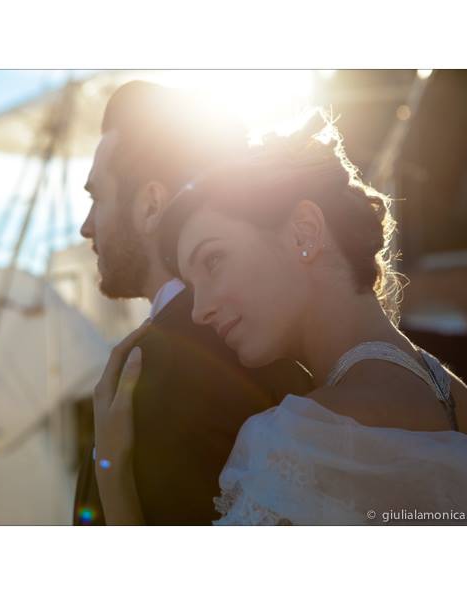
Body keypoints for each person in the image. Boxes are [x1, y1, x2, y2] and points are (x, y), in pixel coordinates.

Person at [92, 112, 467, 525]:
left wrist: (111, 472)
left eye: (213, 261)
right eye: (193, 288)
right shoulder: (457, 403)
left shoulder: (298, 441)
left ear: (304, 232)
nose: (199, 311)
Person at [74, 81, 313, 525]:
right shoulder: (272, 345)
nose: (86, 227)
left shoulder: (159, 367)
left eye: (96, 198)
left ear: (151, 206)